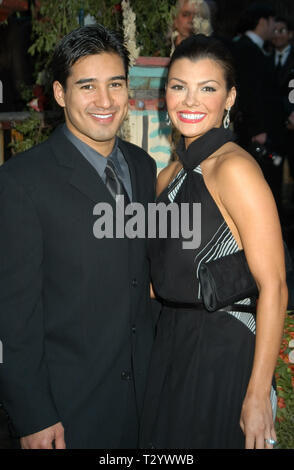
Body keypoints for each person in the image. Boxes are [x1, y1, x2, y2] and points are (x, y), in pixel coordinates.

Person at [0, 24, 157, 449]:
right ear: (60, 93)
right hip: (69, 412)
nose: (105, 101)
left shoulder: (143, 167)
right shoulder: (21, 182)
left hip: (146, 401)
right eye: (87, 86)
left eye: (115, 84)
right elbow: (15, 316)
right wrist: (33, 414)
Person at [139, 34, 287, 449]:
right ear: (164, 93)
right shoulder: (166, 178)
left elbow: (274, 285)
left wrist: (258, 393)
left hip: (223, 349)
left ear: (230, 97)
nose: (191, 101)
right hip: (170, 345)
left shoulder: (234, 169)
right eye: (179, 86)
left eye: (208, 88)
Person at [232, 3, 285, 212]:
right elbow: (249, 92)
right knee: (262, 187)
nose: (274, 27)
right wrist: (258, 129)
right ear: (263, 21)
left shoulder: (257, 49)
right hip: (257, 136)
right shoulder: (245, 49)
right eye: (272, 22)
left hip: (264, 132)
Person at [271, 17, 294, 182]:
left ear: (290, 34)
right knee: (273, 174)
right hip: (273, 127)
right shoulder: (264, 56)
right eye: (274, 31)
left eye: (281, 31)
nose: (277, 35)